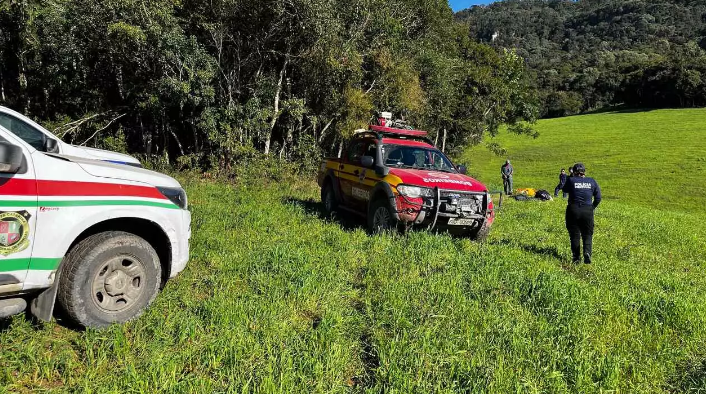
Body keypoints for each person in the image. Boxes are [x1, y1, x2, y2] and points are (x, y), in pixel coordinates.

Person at [562, 163, 601, 264]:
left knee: (574, 234)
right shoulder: (592, 181)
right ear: (584, 172)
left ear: (574, 172)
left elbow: (564, 189)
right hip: (587, 210)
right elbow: (598, 197)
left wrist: (571, 178)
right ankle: (587, 253)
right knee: (587, 233)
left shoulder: (571, 180)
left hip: (573, 209)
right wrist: (592, 207)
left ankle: (576, 258)